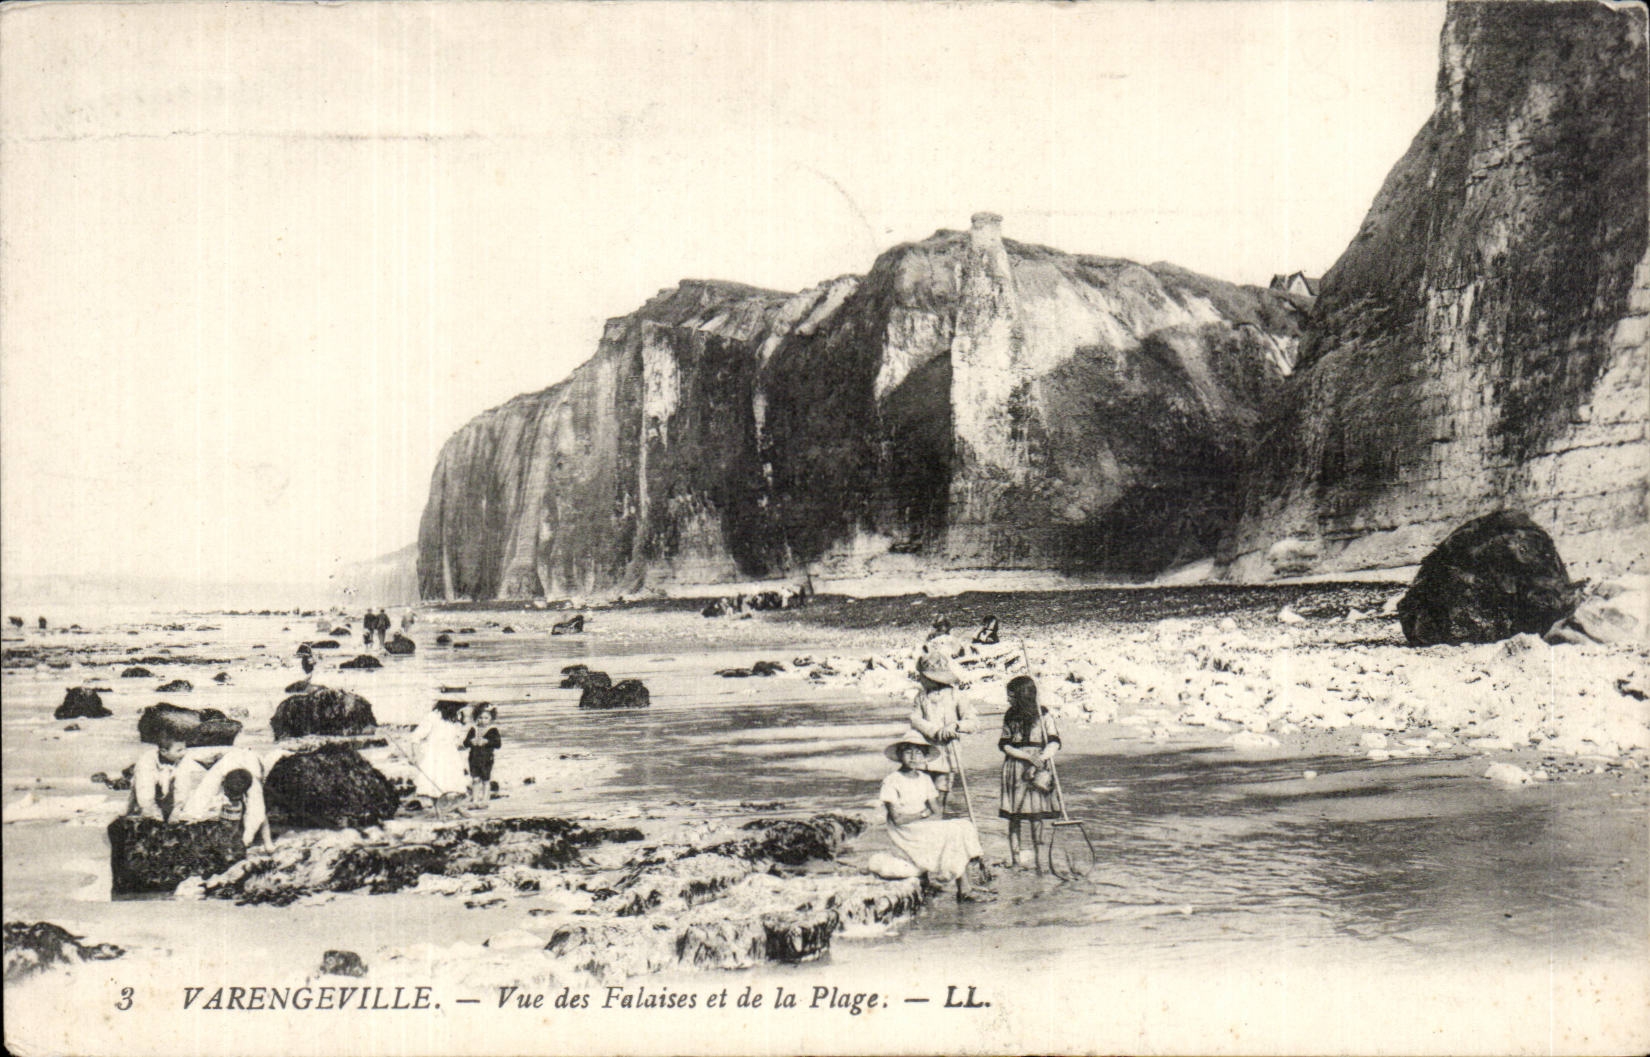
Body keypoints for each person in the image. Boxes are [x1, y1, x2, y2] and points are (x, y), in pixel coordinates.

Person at [880, 733, 990, 902]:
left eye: (918, 753)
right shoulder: (892, 781)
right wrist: (923, 815)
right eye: (908, 752)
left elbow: (936, 810)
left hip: (922, 824)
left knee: (964, 825)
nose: (913, 757)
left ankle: (965, 882)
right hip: (904, 830)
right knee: (952, 831)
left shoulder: (924, 778)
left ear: (924, 757)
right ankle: (964, 889)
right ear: (900, 755)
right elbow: (897, 819)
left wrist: (928, 818)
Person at [907, 644, 979, 814]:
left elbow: (973, 722)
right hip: (925, 753)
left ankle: (938, 822)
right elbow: (915, 719)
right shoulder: (922, 697)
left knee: (941, 792)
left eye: (922, 677)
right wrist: (935, 731)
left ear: (932, 678)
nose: (920, 680)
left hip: (948, 754)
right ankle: (928, 825)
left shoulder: (956, 696)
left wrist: (956, 726)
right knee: (924, 793)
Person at [998, 675, 1061, 868]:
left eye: (1012, 695)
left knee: (1036, 814)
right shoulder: (1010, 715)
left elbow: (1055, 741)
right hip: (1016, 766)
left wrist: (1040, 759)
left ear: (1022, 695)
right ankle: (1016, 859)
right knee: (1014, 814)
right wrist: (1026, 757)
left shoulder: (1044, 715)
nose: (1008, 699)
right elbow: (1005, 745)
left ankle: (1040, 859)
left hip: (1039, 767)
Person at [176, 749, 273, 850]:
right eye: (229, 793)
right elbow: (201, 796)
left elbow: (256, 813)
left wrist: (246, 839)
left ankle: (268, 842)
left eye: (235, 796)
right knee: (209, 801)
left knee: (259, 808)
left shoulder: (254, 785)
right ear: (223, 782)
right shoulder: (216, 774)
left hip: (253, 761)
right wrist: (190, 817)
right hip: (231, 758)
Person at [129, 738, 213, 822]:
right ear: (163, 752)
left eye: (185, 749)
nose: (184, 753)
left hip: (168, 801)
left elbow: (182, 786)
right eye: (179, 750)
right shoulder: (146, 763)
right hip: (144, 802)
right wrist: (155, 815)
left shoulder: (182, 760)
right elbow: (145, 792)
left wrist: (177, 809)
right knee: (148, 821)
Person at [408, 701, 470, 807]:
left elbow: (455, 739)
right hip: (434, 754)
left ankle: (449, 808)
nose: (460, 710)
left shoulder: (454, 717)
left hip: (451, 754)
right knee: (435, 784)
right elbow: (416, 736)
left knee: (452, 784)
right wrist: (415, 754)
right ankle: (440, 810)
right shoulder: (432, 716)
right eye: (458, 706)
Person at [462, 704, 502, 808]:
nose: (482, 720)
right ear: (476, 718)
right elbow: (465, 743)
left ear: (491, 719)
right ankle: (475, 800)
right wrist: (471, 741)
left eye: (486, 718)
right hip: (473, 758)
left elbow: (498, 744)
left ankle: (485, 800)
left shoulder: (493, 730)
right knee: (475, 779)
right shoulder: (473, 729)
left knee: (485, 779)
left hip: (487, 758)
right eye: (480, 718)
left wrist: (487, 741)